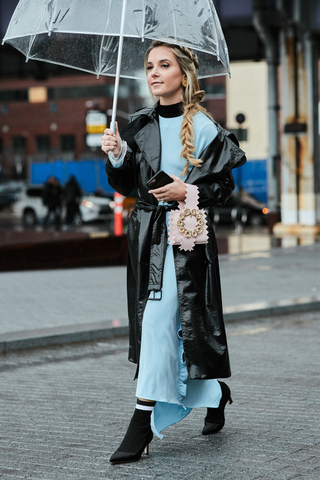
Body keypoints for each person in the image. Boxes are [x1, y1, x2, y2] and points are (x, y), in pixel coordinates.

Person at [102, 41, 246, 465]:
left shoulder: (202, 126)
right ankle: (215, 392)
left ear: (184, 73)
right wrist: (117, 156)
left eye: (164, 65)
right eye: (149, 66)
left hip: (187, 239)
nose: (154, 73)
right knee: (167, 325)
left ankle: (142, 419)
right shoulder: (137, 123)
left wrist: (190, 190)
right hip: (147, 239)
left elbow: (224, 187)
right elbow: (128, 185)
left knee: (162, 322)